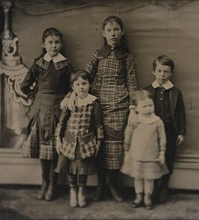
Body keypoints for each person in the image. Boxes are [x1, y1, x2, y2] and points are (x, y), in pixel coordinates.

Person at [61, 16, 137, 202]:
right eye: (109, 30)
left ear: (122, 32)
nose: (113, 33)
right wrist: (72, 94)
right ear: (104, 33)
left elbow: (132, 82)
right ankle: (101, 184)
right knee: (97, 144)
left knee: (115, 147)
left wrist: (133, 107)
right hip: (96, 104)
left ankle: (112, 184)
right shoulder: (97, 54)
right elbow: (84, 76)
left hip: (119, 104)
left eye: (116, 29)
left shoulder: (126, 56)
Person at [20, 27, 73, 201]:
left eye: (57, 42)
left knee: (54, 150)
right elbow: (24, 86)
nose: (54, 46)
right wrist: (36, 97)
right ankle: (44, 182)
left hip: (58, 110)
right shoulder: (38, 64)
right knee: (43, 150)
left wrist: (67, 97)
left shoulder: (66, 65)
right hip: (40, 109)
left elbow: (72, 87)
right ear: (44, 44)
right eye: (50, 42)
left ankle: (53, 184)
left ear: (61, 44)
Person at [55, 70, 104, 208]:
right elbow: (61, 123)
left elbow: (98, 125)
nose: (81, 87)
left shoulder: (94, 103)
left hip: (86, 143)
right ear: (73, 87)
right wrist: (57, 139)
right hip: (69, 141)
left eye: (84, 83)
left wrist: (99, 142)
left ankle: (82, 189)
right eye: (78, 84)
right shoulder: (69, 102)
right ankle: (73, 189)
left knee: (83, 168)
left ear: (90, 84)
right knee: (70, 168)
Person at [145, 55, 186, 203]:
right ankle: (153, 187)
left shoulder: (175, 91)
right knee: (153, 157)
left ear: (172, 73)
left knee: (168, 158)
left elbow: (181, 112)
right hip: (152, 131)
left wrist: (181, 132)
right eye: (159, 71)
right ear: (153, 72)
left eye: (166, 72)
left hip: (169, 131)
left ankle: (164, 187)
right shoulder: (148, 90)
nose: (162, 75)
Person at [121, 90, 168, 210]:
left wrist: (162, 153)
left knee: (149, 178)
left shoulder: (157, 121)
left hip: (151, 156)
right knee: (138, 177)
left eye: (150, 105)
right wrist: (126, 152)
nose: (148, 108)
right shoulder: (134, 120)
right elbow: (128, 137)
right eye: (144, 106)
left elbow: (162, 139)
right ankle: (138, 196)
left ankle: (148, 197)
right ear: (136, 108)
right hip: (136, 155)